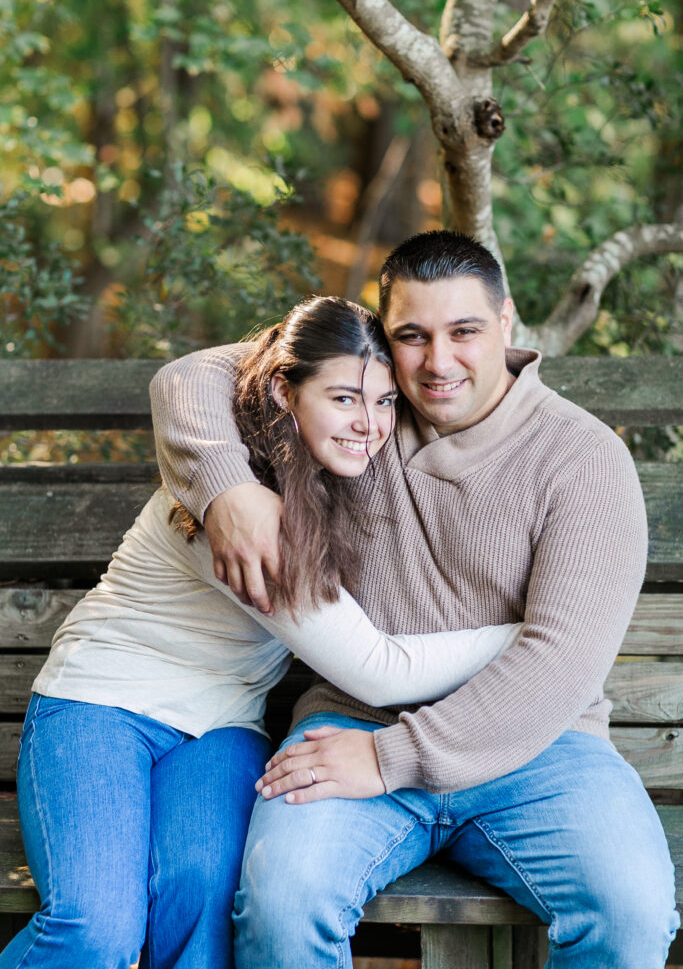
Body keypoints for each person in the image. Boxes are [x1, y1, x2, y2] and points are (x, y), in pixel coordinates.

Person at [150, 233, 680, 968]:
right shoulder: (361, 420)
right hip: (348, 728)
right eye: (410, 336)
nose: (436, 362)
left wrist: (392, 756)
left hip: (539, 746)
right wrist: (227, 488)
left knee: (629, 914)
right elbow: (190, 376)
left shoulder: (581, 458)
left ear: (505, 324)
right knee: (282, 906)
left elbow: (560, 663)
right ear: (382, 338)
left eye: (463, 331)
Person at [0, 296, 522, 969]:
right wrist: (535, 634)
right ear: (284, 389)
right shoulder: (239, 507)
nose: (369, 425)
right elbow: (378, 670)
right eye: (343, 399)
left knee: (202, 919)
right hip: (102, 707)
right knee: (94, 929)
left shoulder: (332, 471)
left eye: (385, 403)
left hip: (222, 727)